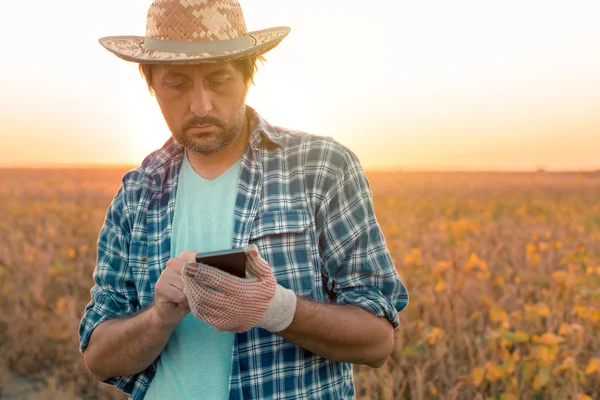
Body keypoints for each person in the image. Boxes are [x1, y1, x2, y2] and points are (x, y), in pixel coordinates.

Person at [78, 1, 409, 399]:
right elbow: (98, 358)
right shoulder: (138, 192)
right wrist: (159, 317)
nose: (200, 105)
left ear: (248, 74)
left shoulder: (322, 168)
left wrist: (274, 307)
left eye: (218, 80)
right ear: (152, 85)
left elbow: (377, 341)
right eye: (177, 84)